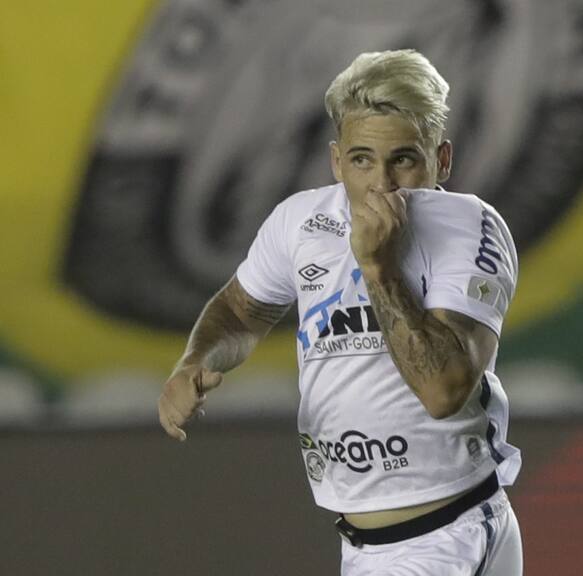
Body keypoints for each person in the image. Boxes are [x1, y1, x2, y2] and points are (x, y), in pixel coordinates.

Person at [158, 49, 523, 576]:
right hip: (366, 546)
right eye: (361, 160)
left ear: (441, 160)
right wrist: (192, 363)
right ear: (335, 161)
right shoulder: (299, 221)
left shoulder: (468, 226)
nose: (382, 184)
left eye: (403, 159)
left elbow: (444, 390)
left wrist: (377, 266)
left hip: (448, 533)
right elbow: (240, 309)